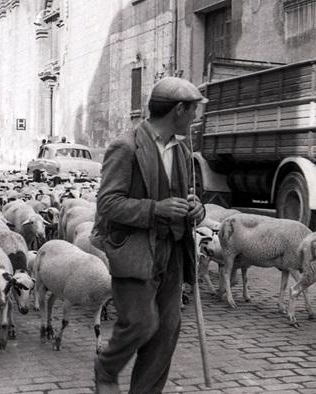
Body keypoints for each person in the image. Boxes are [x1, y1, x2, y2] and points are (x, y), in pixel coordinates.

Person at [92, 77, 206, 394]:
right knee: (142, 323)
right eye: (193, 110)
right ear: (179, 109)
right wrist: (156, 209)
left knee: (166, 332)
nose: (195, 118)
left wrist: (197, 210)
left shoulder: (183, 150)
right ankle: (106, 368)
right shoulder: (125, 147)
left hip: (173, 251)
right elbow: (108, 204)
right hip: (135, 251)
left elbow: (189, 197)